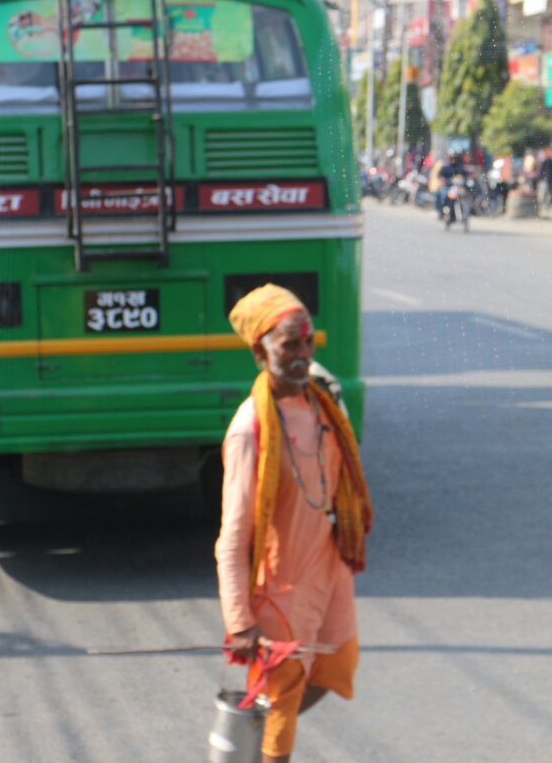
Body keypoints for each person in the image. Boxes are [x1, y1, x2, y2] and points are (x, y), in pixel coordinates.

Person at [216, 284, 373, 763]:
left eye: (308, 343)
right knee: (281, 712)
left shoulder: (320, 404)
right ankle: (254, 736)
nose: (303, 354)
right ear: (260, 351)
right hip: (280, 585)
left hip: (327, 568)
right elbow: (232, 539)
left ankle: (250, 722)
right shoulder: (250, 429)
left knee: (336, 665)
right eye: (290, 345)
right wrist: (240, 621)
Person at [434, 152, 464, 218]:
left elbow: (465, 174)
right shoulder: (446, 167)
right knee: (442, 194)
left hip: (458, 187)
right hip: (448, 186)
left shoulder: (460, 167)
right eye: (453, 158)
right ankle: (440, 210)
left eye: (455, 158)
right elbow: (440, 175)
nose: (454, 159)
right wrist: (443, 180)